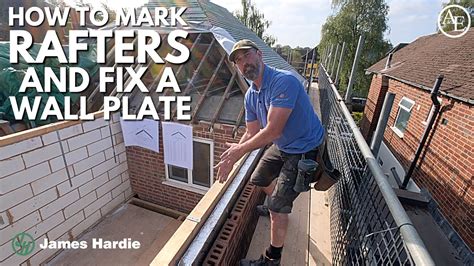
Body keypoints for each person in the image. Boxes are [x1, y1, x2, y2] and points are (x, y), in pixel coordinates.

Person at [215, 39, 325, 266]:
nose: (244, 63)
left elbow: (273, 130)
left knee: (276, 209)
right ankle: (279, 205)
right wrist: (233, 156)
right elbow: (252, 132)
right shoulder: (251, 95)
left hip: (304, 149)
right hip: (284, 144)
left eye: (247, 56)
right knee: (259, 177)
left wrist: (238, 152)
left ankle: (271, 259)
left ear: (259, 55)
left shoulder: (284, 82)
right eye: (238, 60)